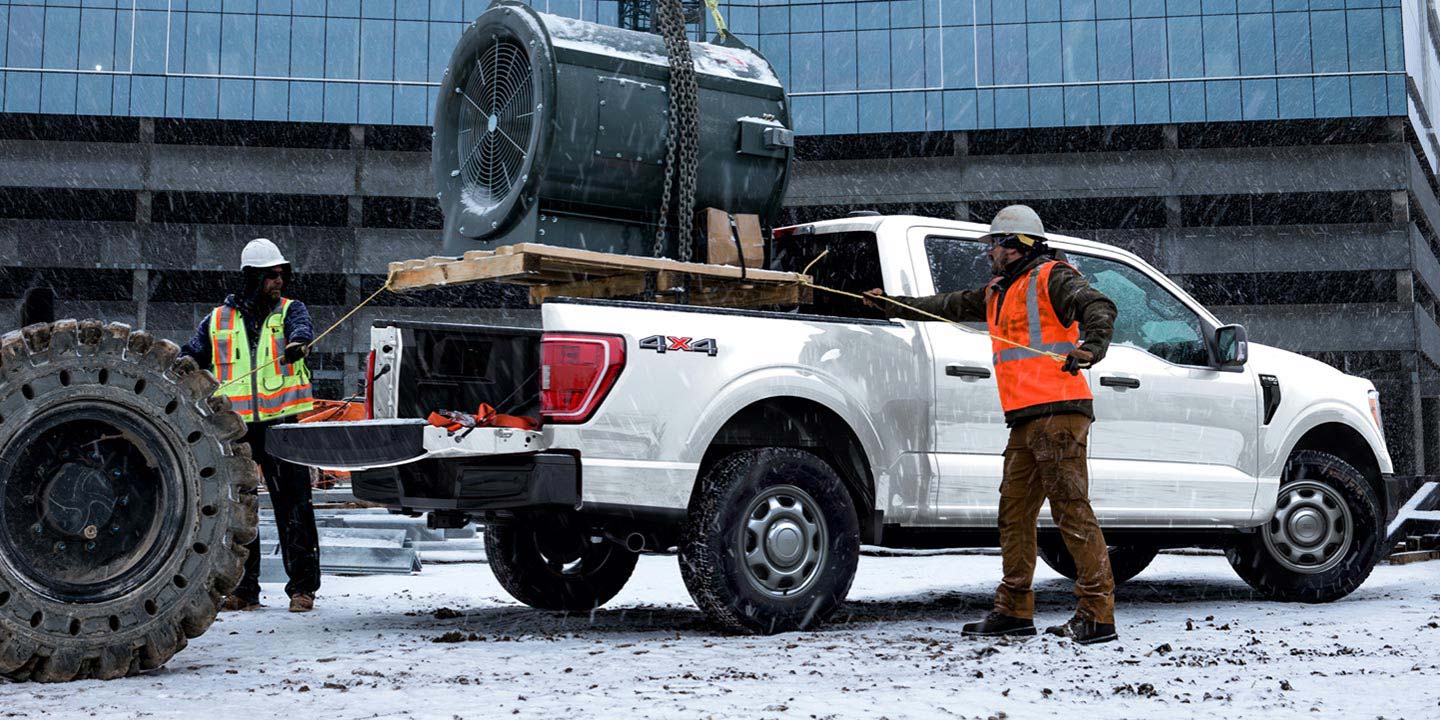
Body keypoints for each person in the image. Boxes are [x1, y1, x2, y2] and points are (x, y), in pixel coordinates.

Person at [863, 205, 1120, 644]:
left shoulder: (1052, 276)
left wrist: (1091, 347)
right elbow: (945, 304)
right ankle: (1014, 610)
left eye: (995, 245)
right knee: (1013, 514)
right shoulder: (999, 291)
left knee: (1070, 510)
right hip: (1025, 418)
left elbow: (1099, 305)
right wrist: (892, 305)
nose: (989, 253)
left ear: (1018, 246)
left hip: (1059, 411)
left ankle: (1097, 615)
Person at [180, 238, 320, 614]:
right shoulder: (217, 320)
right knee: (240, 510)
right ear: (252, 278)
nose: (279, 282)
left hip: (282, 423)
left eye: (281, 275)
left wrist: (299, 344)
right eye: (271, 276)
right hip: (236, 428)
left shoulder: (291, 311)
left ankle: (302, 589)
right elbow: (191, 355)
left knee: (294, 505)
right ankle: (244, 590)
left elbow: (302, 330)